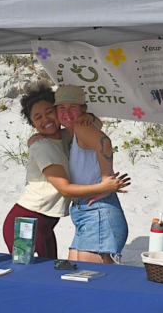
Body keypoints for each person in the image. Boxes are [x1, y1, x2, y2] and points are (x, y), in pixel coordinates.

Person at [3, 85, 129, 259]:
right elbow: (65, 188)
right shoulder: (42, 146)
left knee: (50, 273)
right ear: (32, 124)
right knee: (33, 274)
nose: (45, 119)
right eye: (38, 117)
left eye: (49, 112)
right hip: (27, 219)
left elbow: (93, 128)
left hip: (48, 222)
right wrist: (105, 185)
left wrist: (87, 116)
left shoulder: (65, 136)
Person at [54, 85, 129, 264]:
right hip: (87, 214)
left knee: (94, 281)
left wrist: (106, 183)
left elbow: (105, 143)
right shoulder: (77, 129)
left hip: (98, 212)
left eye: (73, 107)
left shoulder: (81, 127)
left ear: (83, 109)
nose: (67, 113)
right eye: (61, 108)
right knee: (78, 278)